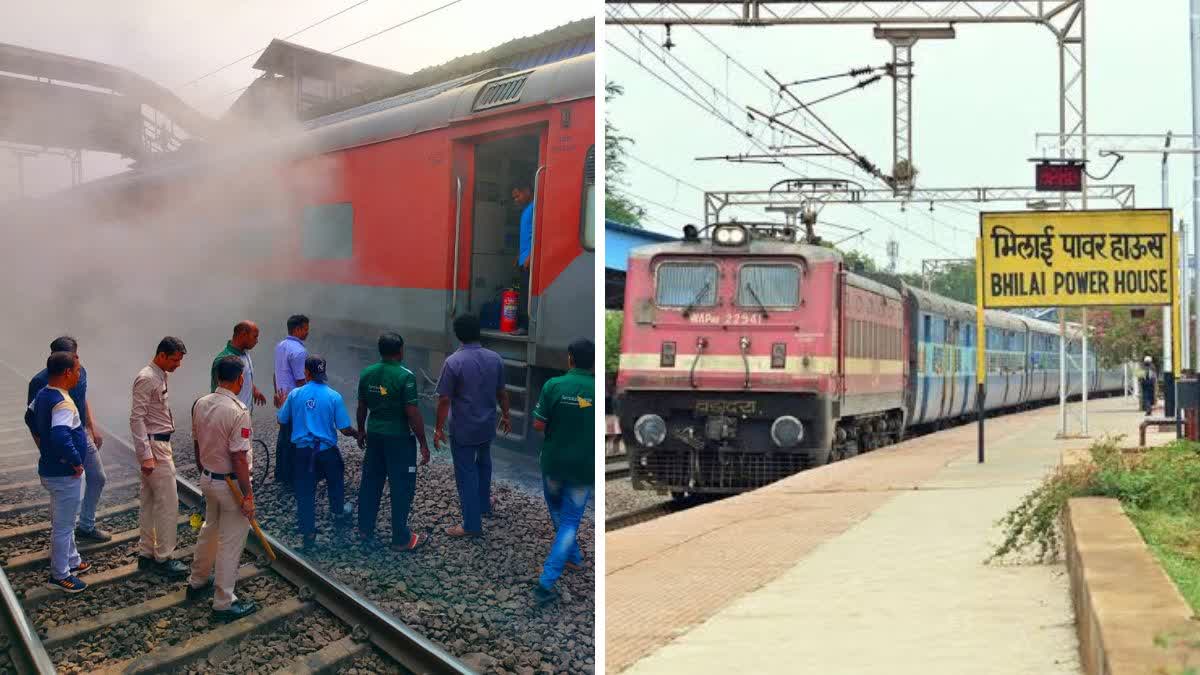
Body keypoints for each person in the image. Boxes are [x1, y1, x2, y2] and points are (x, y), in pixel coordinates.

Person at [27, 336, 110, 543]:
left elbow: (83, 398)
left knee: (98, 477)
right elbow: (32, 420)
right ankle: (64, 538)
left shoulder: (79, 372)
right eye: (74, 356)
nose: (77, 360)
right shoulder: (39, 382)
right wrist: (45, 450)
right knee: (65, 489)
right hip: (59, 440)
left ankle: (86, 526)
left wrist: (92, 426)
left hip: (80, 433)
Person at [530, 338, 595, 605]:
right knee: (570, 520)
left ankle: (546, 582)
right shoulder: (598, 390)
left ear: (570, 358)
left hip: (553, 464)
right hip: (584, 468)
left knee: (559, 513)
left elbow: (537, 425)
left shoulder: (553, 386)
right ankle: (574, 557)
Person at [434, 314, 509, 538]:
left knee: (466, 473)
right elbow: (501, 392)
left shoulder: (453, 362)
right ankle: (484, 504)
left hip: (463, 429)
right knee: (484, 464)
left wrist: (438, 429)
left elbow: (444, 399)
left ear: (458, 335)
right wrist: (506, 415)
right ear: (480, 331)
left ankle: (471, 525)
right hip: (486, 426)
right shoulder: (495, 358)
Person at [356, 333, 431, 552]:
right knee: (402, 487)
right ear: (400, 351)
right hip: (399, 440)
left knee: (370, 483)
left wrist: (361, 430)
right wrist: (423, 444)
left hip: (375, 437)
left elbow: (362, 406)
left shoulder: (367, 373)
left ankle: (364, 529)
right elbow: (412, 413)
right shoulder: (405, 376)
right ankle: (401, 538)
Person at [25, 352, 90, 593]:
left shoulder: (43, 393)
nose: (79, 374)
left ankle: (73, 561)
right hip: (64, 474)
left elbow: (29, 416)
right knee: (63, 526)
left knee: (66, 518)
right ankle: (60, 575)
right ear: (67, 373)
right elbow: (61, 435)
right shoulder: (63, 402)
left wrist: (47, 448)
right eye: (77, 370)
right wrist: (74, 461)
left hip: (51, 470)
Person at [277, 355, 357, 550]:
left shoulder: (295, 395)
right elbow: (345, 428)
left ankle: (308, 533)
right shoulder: (333, 396)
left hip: (303, 452)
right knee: (336, 480)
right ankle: (338, 512)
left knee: (305, 492)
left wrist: (282, 404)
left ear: (306, 372)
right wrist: (357, 435)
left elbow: (282, 420)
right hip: (327, 451)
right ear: (323, 372)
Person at [131, 336, 189, 578]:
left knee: (150, 501)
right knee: (167, 504)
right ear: (162, 355)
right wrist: (146, 455)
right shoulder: (147, 378)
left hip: (156, 445)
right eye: (175, 359)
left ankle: (146, 553)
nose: (178, 365)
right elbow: (137, 418)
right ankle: (163, 558)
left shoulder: (158, 374)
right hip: (156, 447)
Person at [273, 315, 310, 488]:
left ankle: (281, 473)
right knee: (296, 438)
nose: (307, 331)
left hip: (283, 398)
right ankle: (294, 477)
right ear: (297, 330)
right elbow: (301, 381)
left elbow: (276, 374)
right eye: (305, 328)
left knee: (284, 436)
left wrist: (276, 394)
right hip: (295, 401)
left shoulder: (280, 346)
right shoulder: (300, 351)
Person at [211, 321, 267, 410]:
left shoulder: (245, 353)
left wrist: (253, 389)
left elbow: (244, 377)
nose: (257, 341)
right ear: (243, 334)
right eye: (255, 337)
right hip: (232, 417)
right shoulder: (223, 360)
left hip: (244, 415)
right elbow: (216, 393)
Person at [512, 180, 535, 335]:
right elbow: (526, 236)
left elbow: (538, 233)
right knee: (522, 292)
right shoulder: (527, 209)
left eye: (517, 195)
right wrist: (519, 255)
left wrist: (531, 255)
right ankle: (521, 325)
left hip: (528, 260)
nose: (516, 200)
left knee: (526, 294)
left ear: (527, 190)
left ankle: (524, 326)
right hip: (523, 258)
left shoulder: (535, 207)